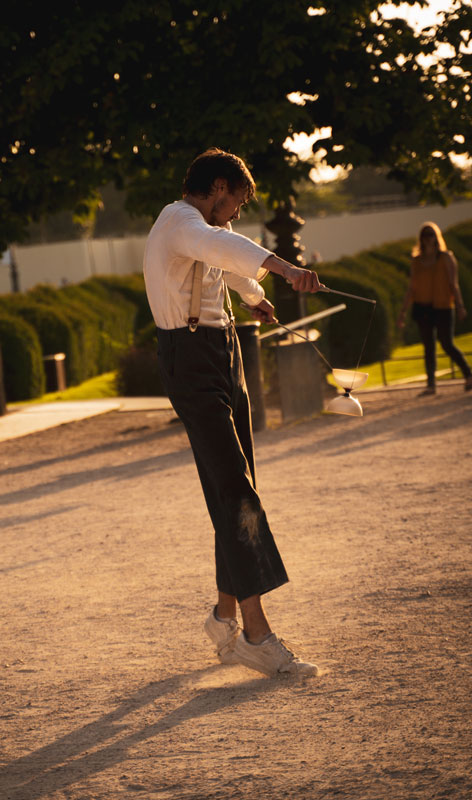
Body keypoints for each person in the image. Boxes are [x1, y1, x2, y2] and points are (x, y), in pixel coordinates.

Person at [143, 147, 321, 678]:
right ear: (217, 186)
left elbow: (217, 259)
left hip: (223, 353)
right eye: (238, 200)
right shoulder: (180, 220)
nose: (239, 212)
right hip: (191, 362)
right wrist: (285, 270)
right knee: (235, 492)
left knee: (239, 487)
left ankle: (224, 617)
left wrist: (250, 296)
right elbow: (216, 243)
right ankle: (255, 634)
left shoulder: (197, 227)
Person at [397, 222, 472, 395]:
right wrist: (402, 312)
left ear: (436, 237)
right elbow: (412, 287)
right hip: (423, 307)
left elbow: (454, 284)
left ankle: (468, 374)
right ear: (421, 239)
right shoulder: (417, 260)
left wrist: (460, 306)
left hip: (443, 306)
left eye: (431, 234)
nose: (428, 238)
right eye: (425, 235)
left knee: (447, 343)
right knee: (428, 346)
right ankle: (431, 384)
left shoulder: (446, 257)